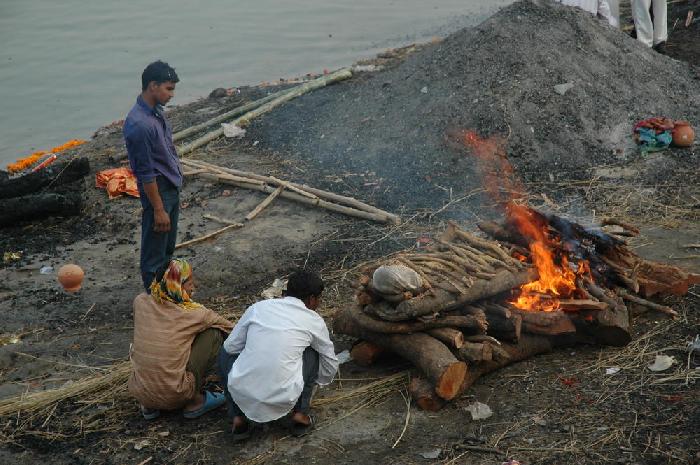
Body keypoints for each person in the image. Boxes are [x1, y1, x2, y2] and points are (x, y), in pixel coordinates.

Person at [217, 270, 338, 440]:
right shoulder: (313, 320)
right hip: (286, 395)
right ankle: (300, 413)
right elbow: (330, 359)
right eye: (319, 299)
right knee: (313, 350)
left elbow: (231, 347)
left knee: (225, 350)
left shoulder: (258, 308)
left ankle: (237, 416)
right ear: (312, 299)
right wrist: (319, 380)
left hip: (243, 392)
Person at [128, 259, 234, 420]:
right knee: (213, 334)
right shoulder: (195, 314)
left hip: (139, 391)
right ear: (176, 286)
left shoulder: (140, 302)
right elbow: (233, 330)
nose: (194, 287)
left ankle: (149, 406)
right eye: (189, 283)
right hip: (176, 394)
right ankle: (195, 401)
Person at [124, 60, 183, 291]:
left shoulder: (155, 114)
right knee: (154, 254)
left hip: (169, 187)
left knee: (166, 248)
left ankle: (166, 294)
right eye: (168, 89)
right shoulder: (139, 125)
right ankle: (154, 300)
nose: (172, 95)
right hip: (158, 191)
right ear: (152, 86)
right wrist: (158, 208)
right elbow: (145, 173)